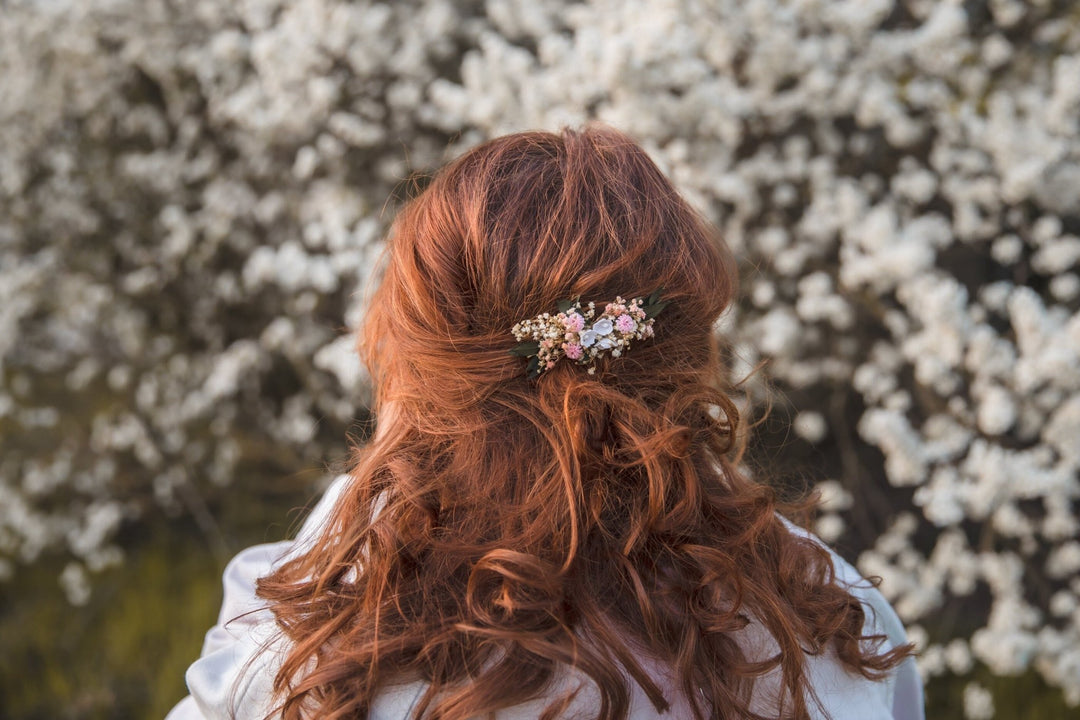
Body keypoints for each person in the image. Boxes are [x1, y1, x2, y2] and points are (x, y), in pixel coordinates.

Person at [167, 126, 925, 720]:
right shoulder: (832, 622)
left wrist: (367, 503)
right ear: (693, 359)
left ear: (419, 370)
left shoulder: (309, 654)